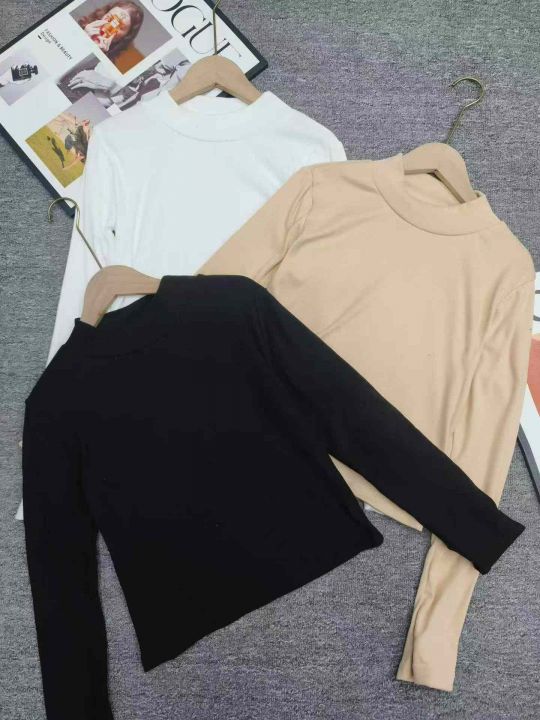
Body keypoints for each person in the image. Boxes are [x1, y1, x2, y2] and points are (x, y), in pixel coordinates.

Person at [77, 2, 144, 60]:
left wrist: (98, 55)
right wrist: (82, 38)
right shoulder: (78, 27)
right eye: (109, 18)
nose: (110, 26)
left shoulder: (107, 63)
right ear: (103, 14)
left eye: (119, 27)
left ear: (125, 36)